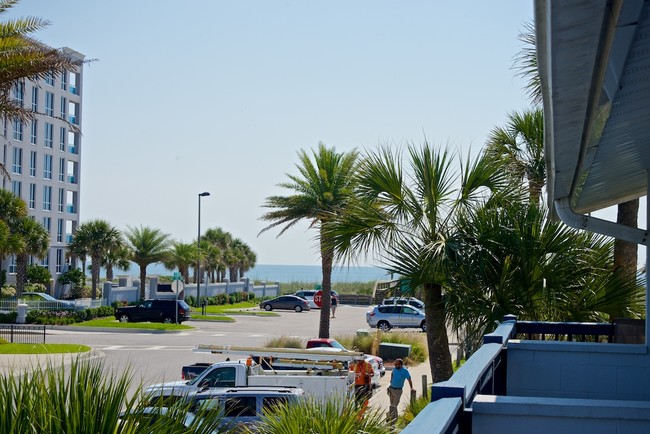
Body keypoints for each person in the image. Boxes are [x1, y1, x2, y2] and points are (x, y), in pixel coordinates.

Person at [387, 358, 413, 423]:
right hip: (391, 389)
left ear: (401, 364)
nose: (395, 365)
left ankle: (393, 418)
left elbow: (409, 379)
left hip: (398, 390)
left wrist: (411, 388)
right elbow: (392, 375)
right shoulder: (394, 369)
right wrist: (390, 383)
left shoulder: (405, 371)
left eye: (397, 364)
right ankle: (391, 418)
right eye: (395, 364)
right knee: (392, 405)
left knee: (394, 405)